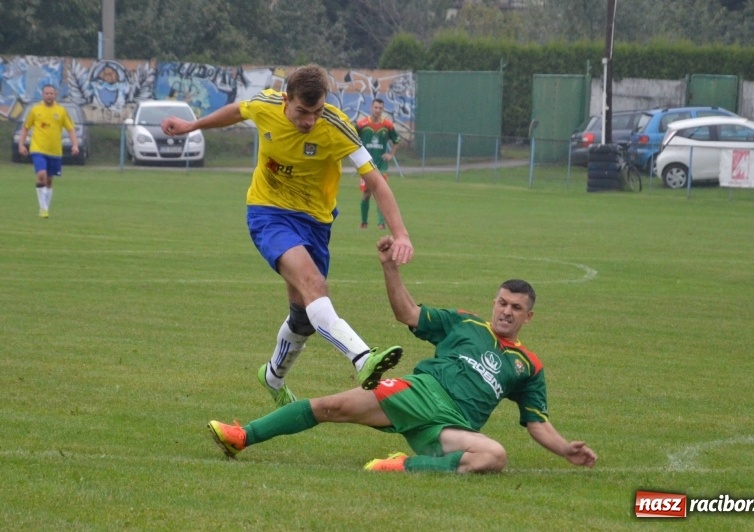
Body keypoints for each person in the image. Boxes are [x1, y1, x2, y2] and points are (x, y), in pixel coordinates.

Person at [207, 235, 598, 474]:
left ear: (528, 316)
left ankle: (401, 465)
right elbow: (407, 313)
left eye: (516, 308)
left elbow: (536, 422)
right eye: (502, 302)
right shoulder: (465, 323)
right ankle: (242, 436)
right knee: (332, 406)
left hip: (451, 427)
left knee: (494, 456)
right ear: (494, 301)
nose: (506, 311)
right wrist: (390, 268)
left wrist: (564, 448)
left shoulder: (528, 366)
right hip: (417, 393)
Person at [161, 64, 414, 405]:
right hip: (269, 213)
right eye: (302, 112)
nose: (310, 120)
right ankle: (363, 358)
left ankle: (272, 377)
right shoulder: (266, 106)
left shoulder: (337, 127)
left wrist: (401, 234)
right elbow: (238, 110)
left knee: (303, 317)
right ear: (286, 100)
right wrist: (193, 125)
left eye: (317, 111)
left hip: (316, 223)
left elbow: (376, 181)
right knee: (315, 286)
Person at [17, 84, 80, 218]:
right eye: (46, 93)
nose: (49, 96)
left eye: (51, 93)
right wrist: (21, 145)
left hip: (55, 151)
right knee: (41, 175)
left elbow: (70, 129)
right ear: (42, 94)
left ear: (55, 94)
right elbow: (25, 128)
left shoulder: (61, 111)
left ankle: (45, 207)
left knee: (49, 180)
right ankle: (43, 208)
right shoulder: (35, 110)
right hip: (38, 148)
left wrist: (75, 145)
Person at [355, 98, 400, 230]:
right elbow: (351, 138)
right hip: (365, 165)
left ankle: (381, 223)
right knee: (366, 194)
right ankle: (364, 222)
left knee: (381, 193)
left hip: (381, 166)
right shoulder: (362, 124)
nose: (378, 110)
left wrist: (391, 154)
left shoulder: (387, 125)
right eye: (376, 107)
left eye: (380, 108)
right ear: (371, 107)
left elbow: (396, 140)